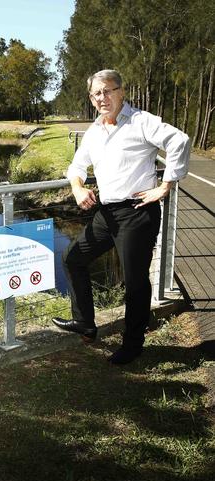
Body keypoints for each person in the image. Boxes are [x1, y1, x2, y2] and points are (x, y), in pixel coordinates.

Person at [53, 69, 190, 365]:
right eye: (96, 94)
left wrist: (165, 186)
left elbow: (180, 141)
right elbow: (76, 166)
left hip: (137, 212)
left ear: (121, 91)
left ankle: (133, 344)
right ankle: (85, 323)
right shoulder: (95, 130)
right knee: (72, 258)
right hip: (107, 212)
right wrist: (78, 189)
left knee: (135, 281)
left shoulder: (141, 121)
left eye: (108, 91)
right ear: (91, 99)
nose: (102, 98)